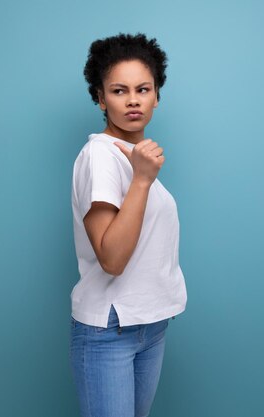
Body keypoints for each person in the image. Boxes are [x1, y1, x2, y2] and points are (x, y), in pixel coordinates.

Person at [69, 32, 187, 417]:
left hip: (149, 326)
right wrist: (140, 180)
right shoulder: (100, 156)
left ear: (157, 96)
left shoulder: (135, 157)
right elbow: (112, 259)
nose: (133, 99)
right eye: (119, 90)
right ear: (101, 98)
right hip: (111, 331)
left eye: (143, 88)